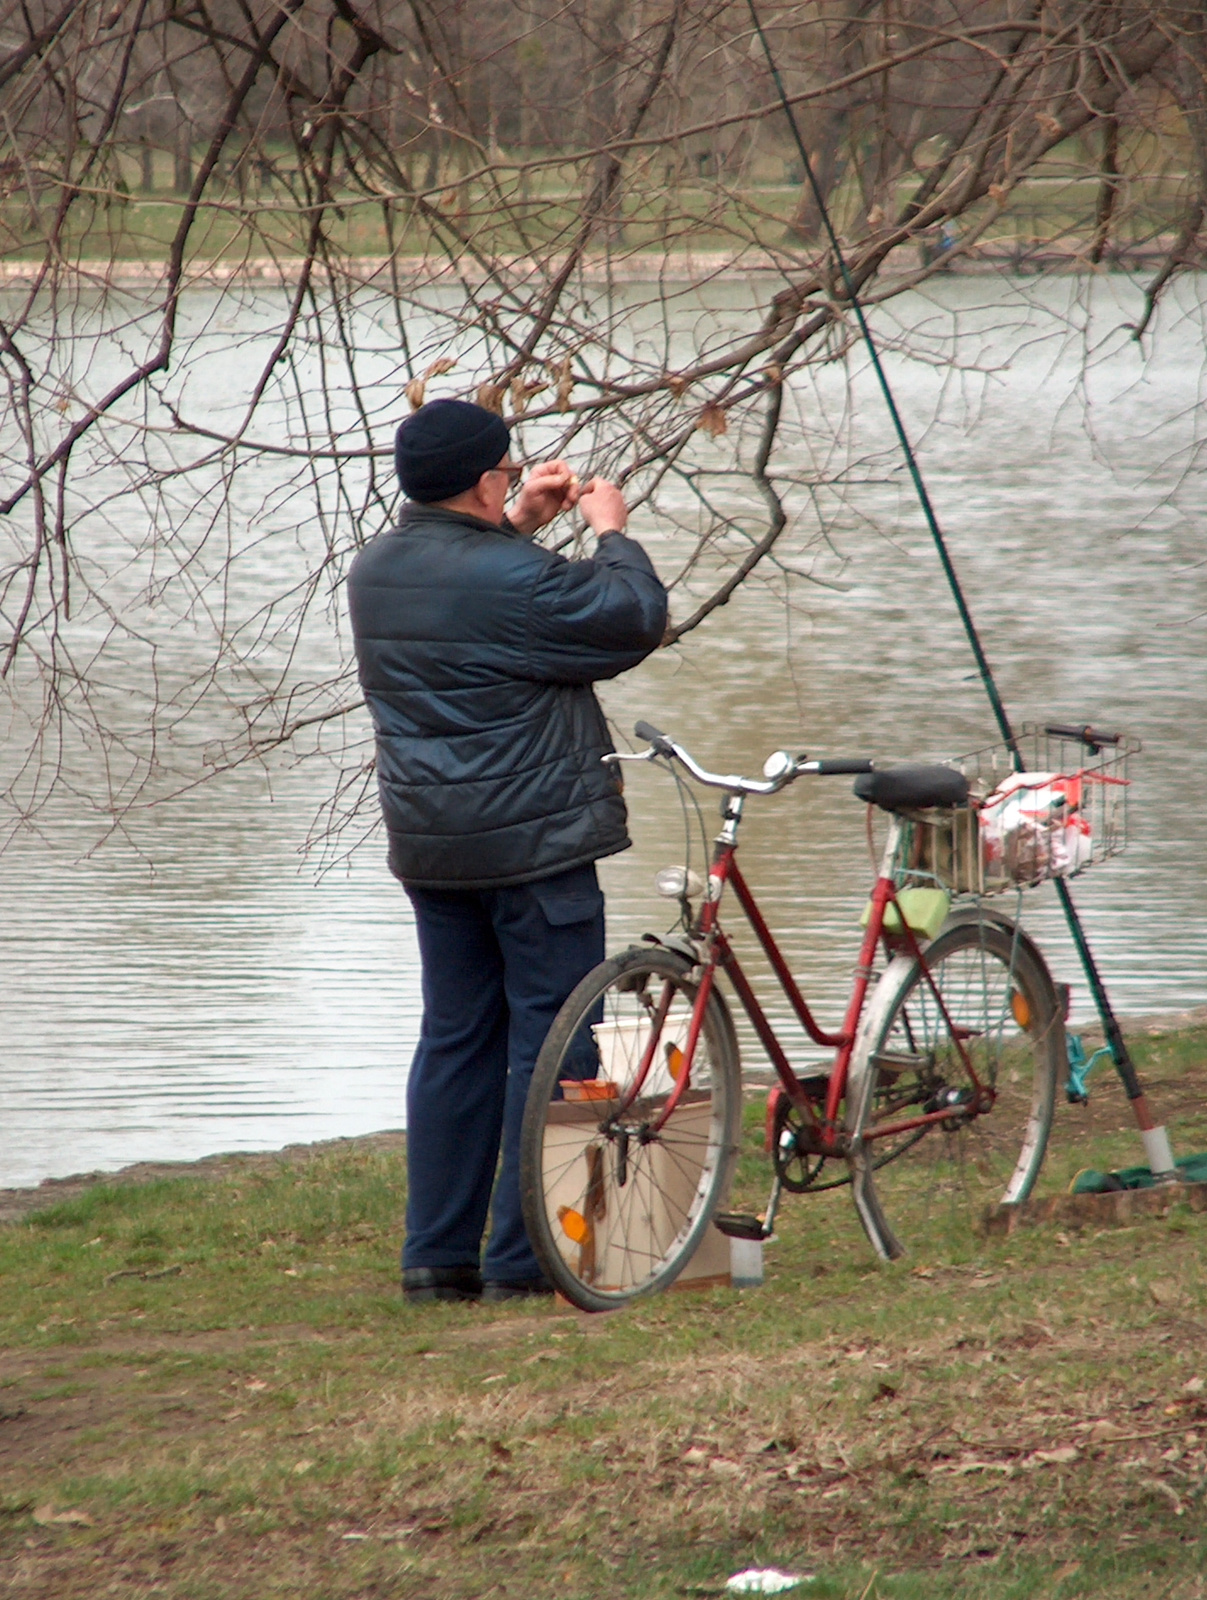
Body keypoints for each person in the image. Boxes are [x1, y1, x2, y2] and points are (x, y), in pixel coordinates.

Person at [346, 398, 667, 1303]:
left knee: (455, 1038)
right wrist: (610, 533)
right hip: (533, 850)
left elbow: (473, 588)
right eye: (505, 474)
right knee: (552, 1034)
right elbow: (629, 617)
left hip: (433, 849)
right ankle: (526, 1261)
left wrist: (521, 519)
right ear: (485, 480)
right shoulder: (517, 584)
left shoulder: (376, 569)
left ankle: (436, 1260)